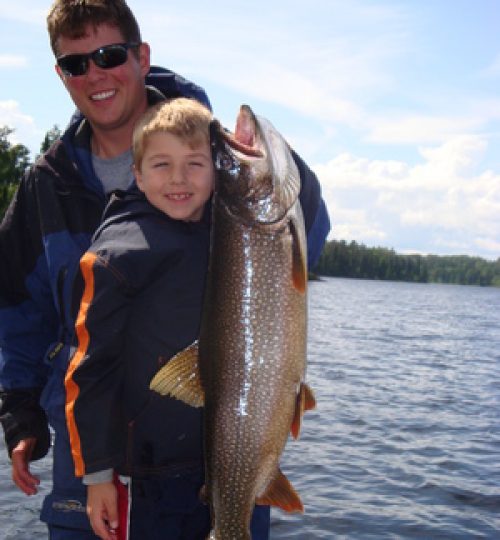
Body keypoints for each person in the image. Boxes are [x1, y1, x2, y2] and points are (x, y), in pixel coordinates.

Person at [0, 0, 330, 538]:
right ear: (61, 75)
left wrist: (276, 166)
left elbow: (307, 238)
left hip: (220, 461)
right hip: (90, 475)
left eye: (108, 54)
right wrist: (20, 414)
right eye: (76, 64)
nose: (96, 75)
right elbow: (16, 314)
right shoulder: (45, 186)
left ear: (141, 56)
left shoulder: (215, 158)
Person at [65, 96, 272, 540]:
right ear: (137, 175)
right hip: (157, 471)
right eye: (161, 165)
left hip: (242, 458)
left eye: (195, 164)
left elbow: (297, 209)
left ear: (216, 173)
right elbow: (91, 369)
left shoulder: (236, 230)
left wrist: (254, 157)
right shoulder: (117, 254)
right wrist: (98, 474)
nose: (178, 178)